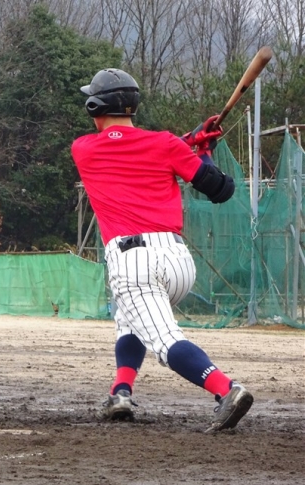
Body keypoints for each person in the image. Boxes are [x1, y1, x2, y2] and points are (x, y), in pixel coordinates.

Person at [71, 68, 253, 433]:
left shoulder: (84, 148)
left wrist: (192, 144)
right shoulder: (167, 144)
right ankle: (121, 393)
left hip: (133, 261)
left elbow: (129, 151)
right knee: (129, 319)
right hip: (178, 263)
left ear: (96, 107)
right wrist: (202, 153)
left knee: (166, 342)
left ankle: (227, 389)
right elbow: (220, 189)